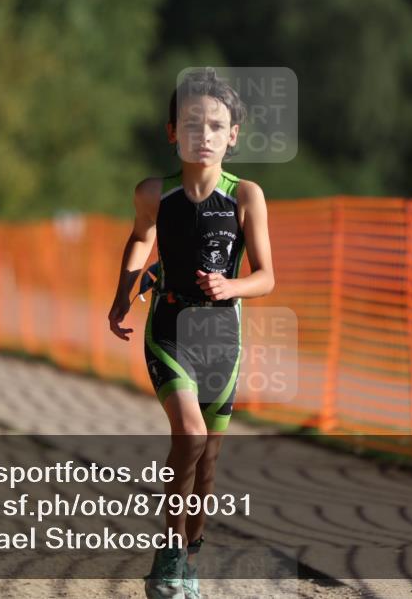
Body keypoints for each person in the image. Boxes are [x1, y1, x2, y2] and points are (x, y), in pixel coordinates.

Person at [108, 68, 275, 599]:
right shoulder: (154, 193)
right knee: (191, 436)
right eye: (192, 124)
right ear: (172, 132)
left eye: (216, 126)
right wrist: (122, 296)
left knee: (206, 468)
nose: (204, 135)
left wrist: (232, 286)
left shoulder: (246, 196)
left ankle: (189, 561)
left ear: (233, 136)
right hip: (170, 328)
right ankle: (169, 553)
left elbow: (266, 277)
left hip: (222, 338)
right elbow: (141, 240)